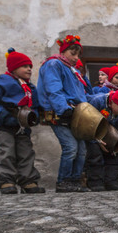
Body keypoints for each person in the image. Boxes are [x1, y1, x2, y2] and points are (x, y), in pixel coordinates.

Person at [36, 33, 95, 193]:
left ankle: (75, 181)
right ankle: (63, 181)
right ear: (63, 52)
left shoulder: (72, 70)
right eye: (72, 53)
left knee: (82, 149)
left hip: (76, 114)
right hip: (60, 114)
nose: (76, 58)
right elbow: (54, 89)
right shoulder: (54, 64)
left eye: (77, 54)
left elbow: (80, 94)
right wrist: (64, 109)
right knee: (70, 147)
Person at [0, 48, 45, 194]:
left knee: (26, 152)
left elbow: (35, 106)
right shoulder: (2, 82)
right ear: (14, 68)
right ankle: (6, 181)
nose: (29, 69)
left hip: (22, 127)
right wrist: (4, 116)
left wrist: (33, 117)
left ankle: (28, 181)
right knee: (7, 152)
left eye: (30, 66)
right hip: (3, 125)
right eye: (25, 66)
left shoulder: (30, 88)